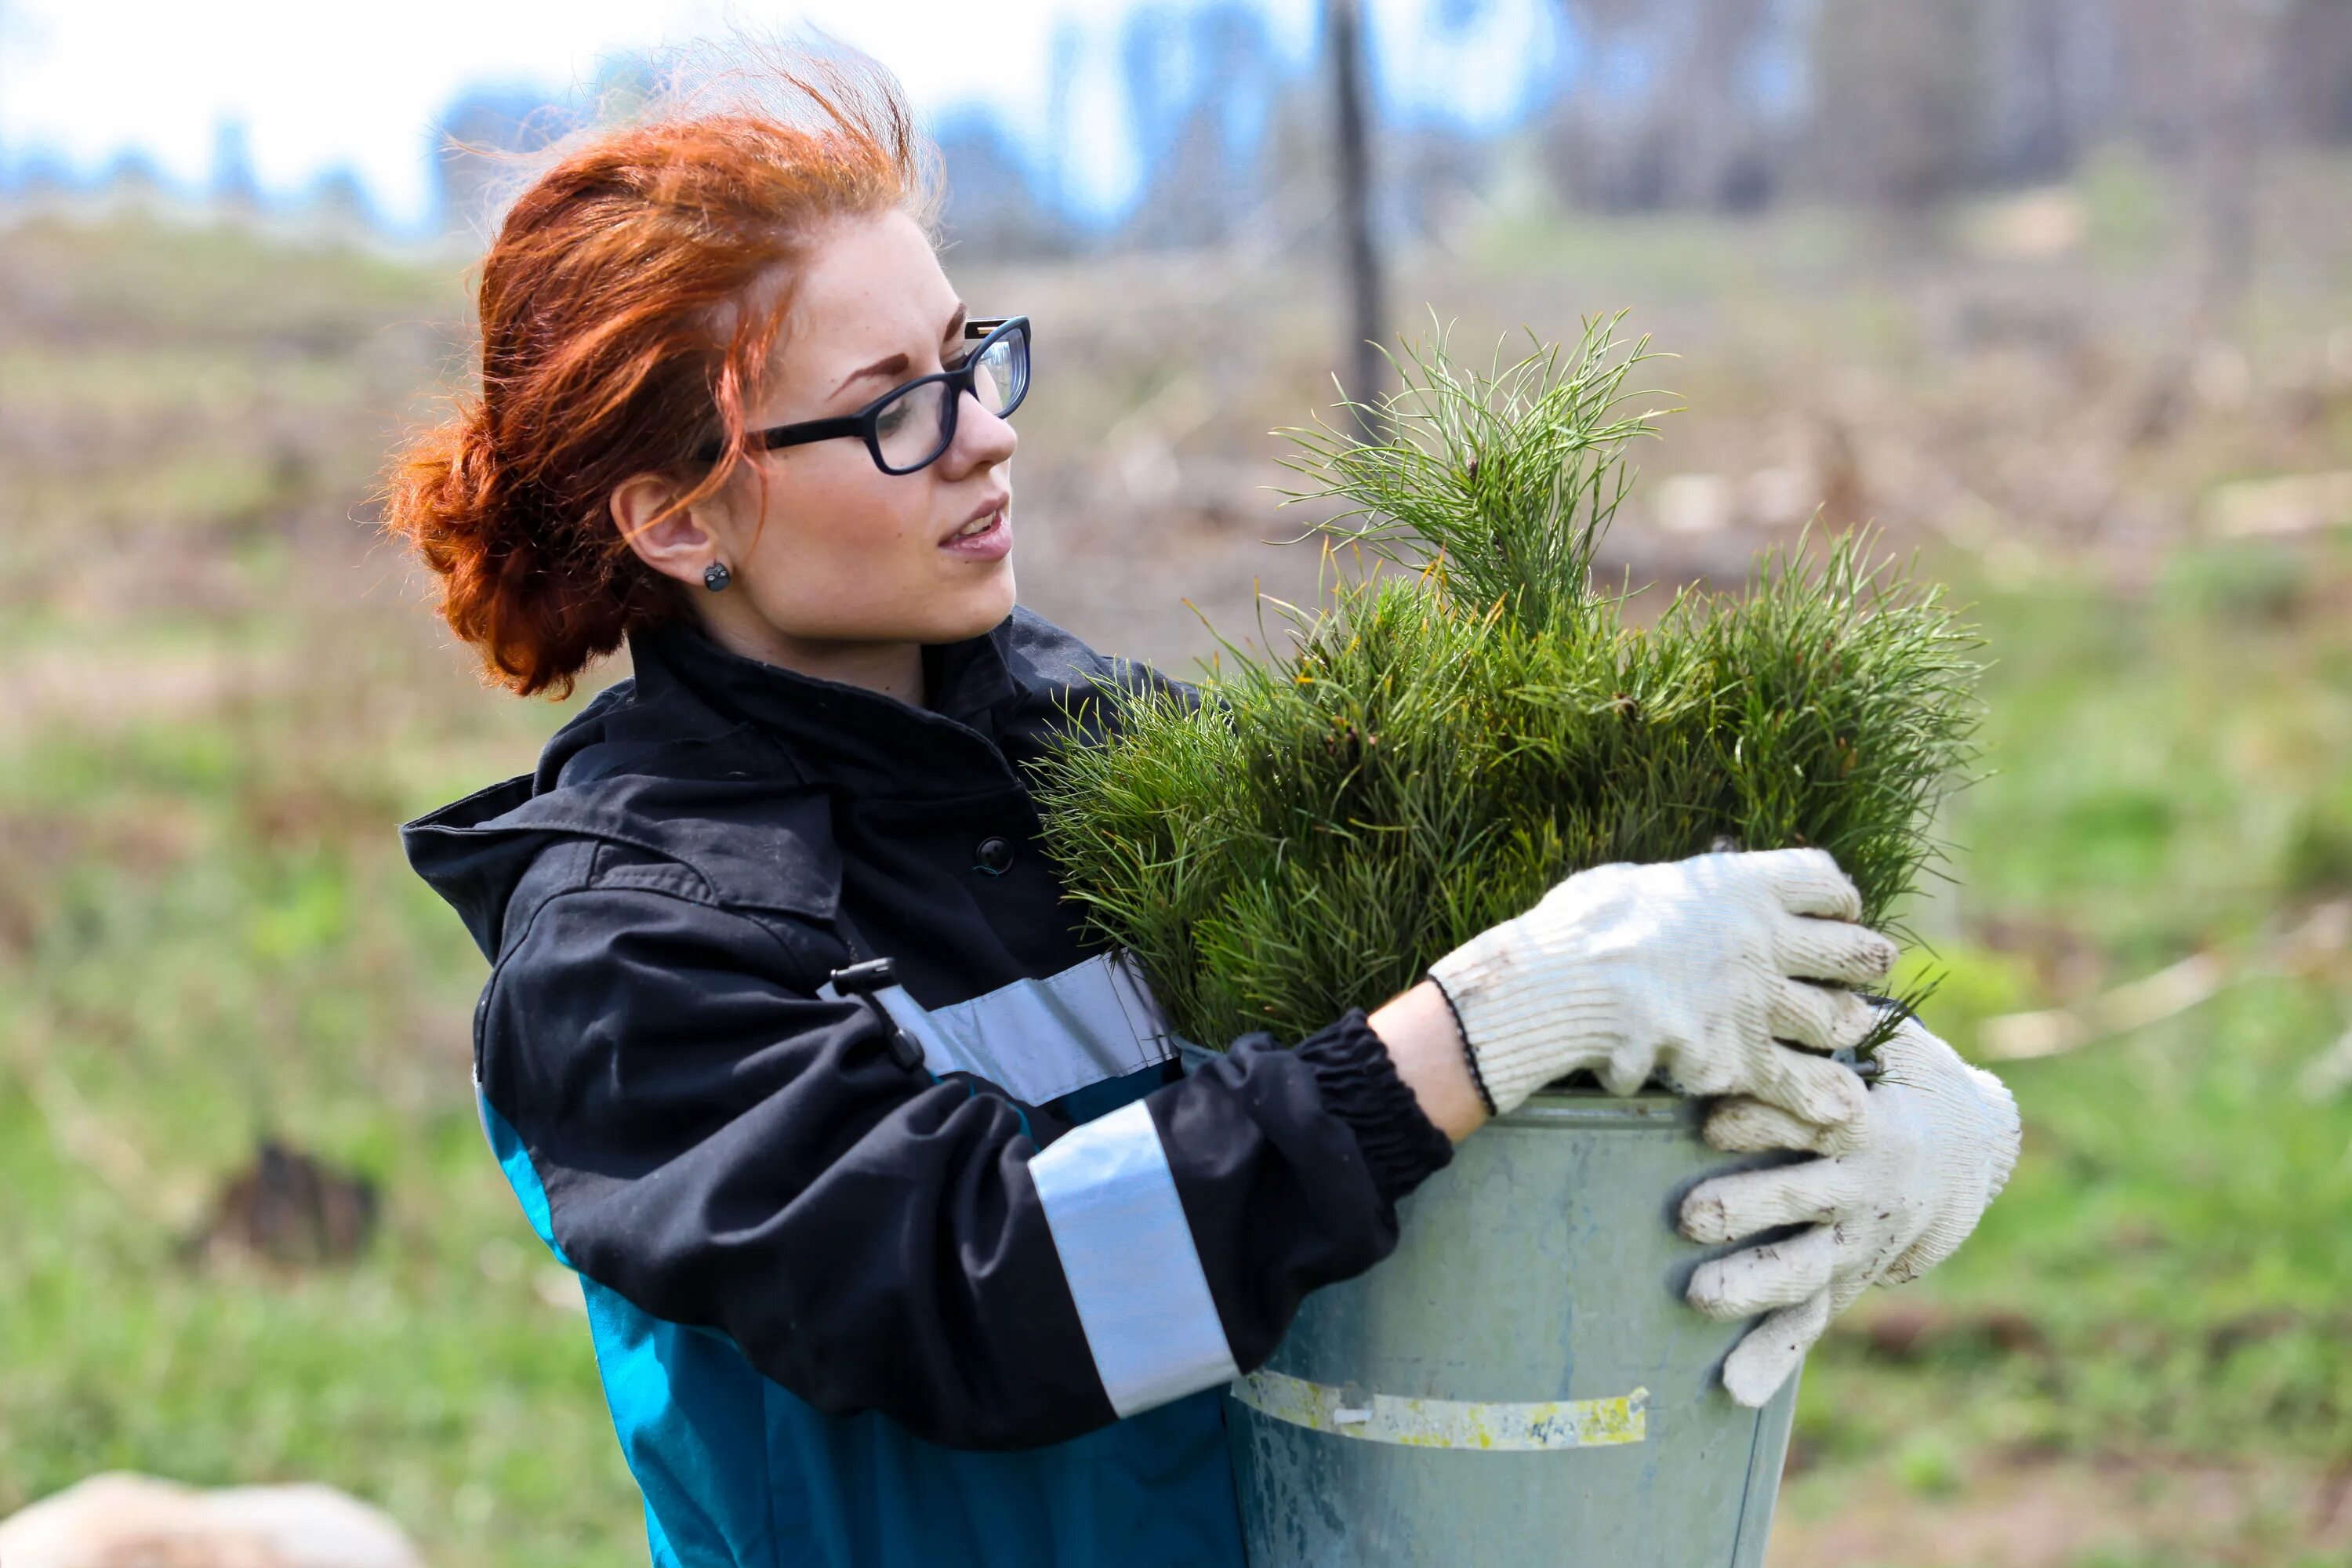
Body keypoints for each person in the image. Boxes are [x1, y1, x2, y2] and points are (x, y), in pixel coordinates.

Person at [386, 52, 2020, 1568]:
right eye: (895, 405)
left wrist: (1909, 1104)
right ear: (680, 520)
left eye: (971, 356)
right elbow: (998, 1290)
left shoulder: (1111, 757)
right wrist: (1484, 1021)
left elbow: (1526, 994)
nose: (987, 434)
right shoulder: (630, 953)